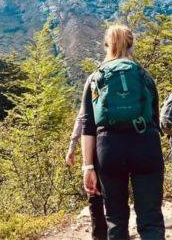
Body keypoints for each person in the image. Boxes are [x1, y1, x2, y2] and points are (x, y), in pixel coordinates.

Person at [80, 24, 165, 240]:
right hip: (145, 145)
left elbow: (88, 125)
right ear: (131, 45)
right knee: (151, 218)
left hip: (109, 149)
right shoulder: (144, 75)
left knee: (116, 218)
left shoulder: (95, 78)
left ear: (106, 44)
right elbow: (155, 119)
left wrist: (88, 166)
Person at [66, 89, 107, 240]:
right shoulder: (132, 75)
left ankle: (99, 235)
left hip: (93, 147)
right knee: (116, 191)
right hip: (117, 145)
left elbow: (81, 119)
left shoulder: (95, 80)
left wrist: (72, 146)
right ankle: (118, 231)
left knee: (94, 191)